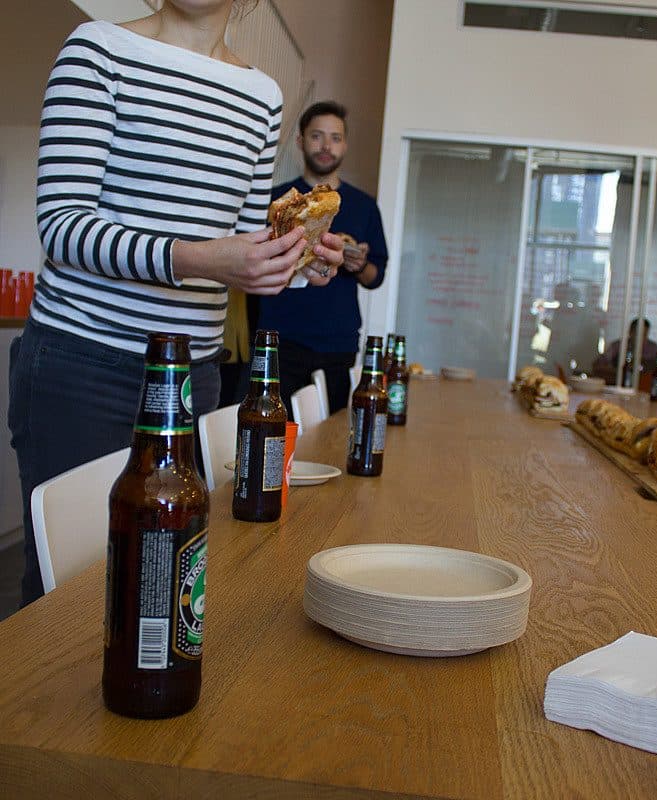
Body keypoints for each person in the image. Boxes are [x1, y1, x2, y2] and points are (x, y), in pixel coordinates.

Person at [7, 0, 343, 607]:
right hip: (84, 365)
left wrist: (300, 260)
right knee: (66, 598)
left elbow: (247, 244)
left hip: (193, 376)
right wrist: (197, 259)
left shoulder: (261, 95)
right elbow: (62, 226)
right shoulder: (98, 49)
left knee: (162, 580)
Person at [255, 101, 388, 416]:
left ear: (345, 144)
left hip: (337, 343)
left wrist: (357, 266)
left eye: (336, 138)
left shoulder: (364, 206)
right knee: (274, 434)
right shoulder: (278, 202)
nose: (327, 146)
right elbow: (256, 263)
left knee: (331, 440)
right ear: (300, 141)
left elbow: (376, 276)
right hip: (279, 338)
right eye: (317, 136)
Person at [591, 318, 657, 385]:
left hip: (644, 389)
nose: (641, 338)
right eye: (637, 334)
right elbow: (597, 365)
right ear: (630, 332)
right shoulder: (618, 346)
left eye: (644, 335)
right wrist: (621, 372)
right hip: (619, 386)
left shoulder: (653, 348)